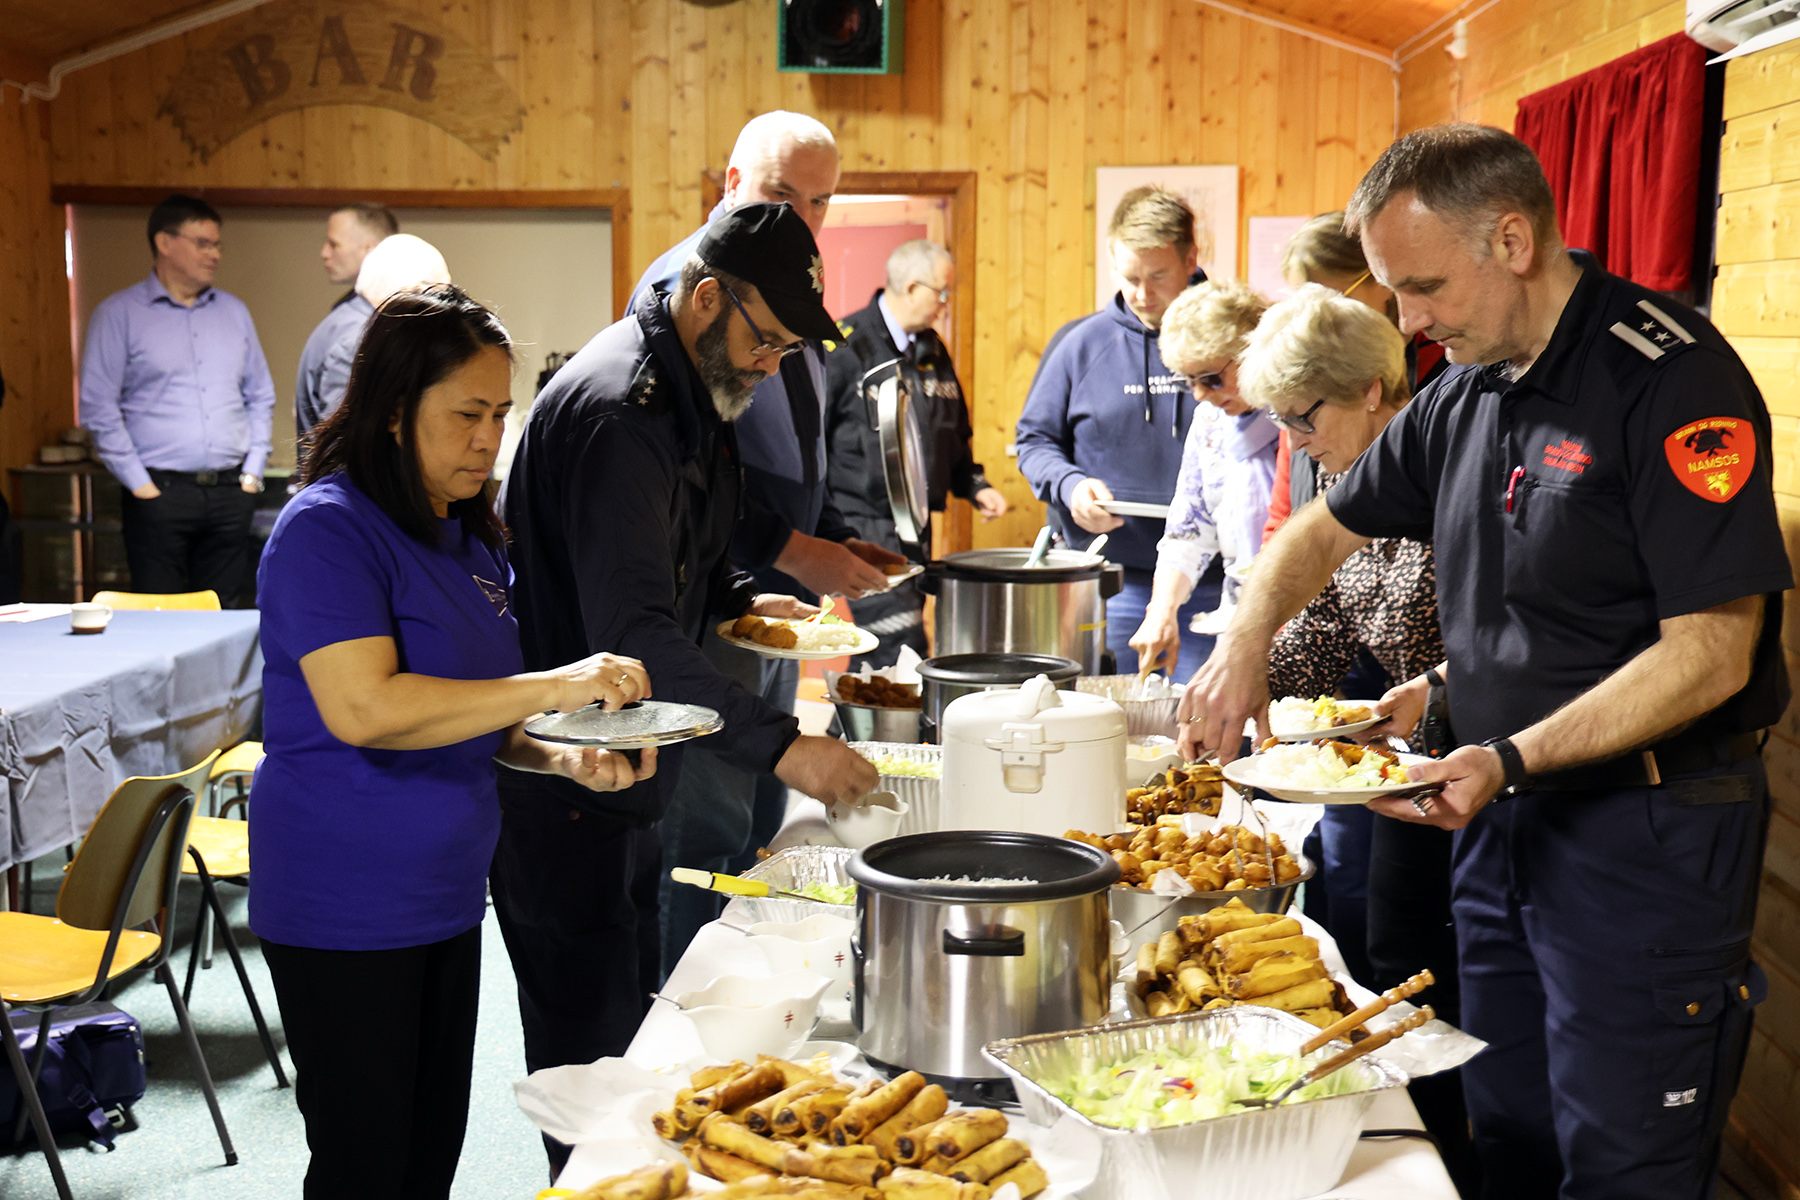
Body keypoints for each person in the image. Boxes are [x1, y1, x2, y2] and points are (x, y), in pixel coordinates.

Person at [1182, 124, 1790, 1200]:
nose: (1406, 322)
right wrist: (1243, 645)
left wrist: (1507, 755)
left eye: (1421, 287)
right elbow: (1321, 533)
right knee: (1504, 1132)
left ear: (1512, 238)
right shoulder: (1464, 392)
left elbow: (1713, 652)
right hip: (1500, 820)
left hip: (1642, 837)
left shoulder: (1670, 380)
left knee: (1622, 1166)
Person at [496, 201, 880, 1172]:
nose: (771, 364)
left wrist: (761, 601)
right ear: (707, 298)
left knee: (637, 1044)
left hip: (629, 770)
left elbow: (699, 568)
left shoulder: (691, 399)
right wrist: (788, 746)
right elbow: (633, 639)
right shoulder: (617, 409)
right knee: (592, 1083)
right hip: (562, 779)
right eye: (766, 340)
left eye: (789, 349)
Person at [251, 284, 656, 1198]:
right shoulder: (326, 531)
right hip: (343, 903)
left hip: (441, 898)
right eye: (467, 414)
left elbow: (478, 714)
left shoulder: (467, 535)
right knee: (366, 1163)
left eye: (501, 414)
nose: (489, 438)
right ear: (395, 414)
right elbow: (368, 711)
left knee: (429, 1152)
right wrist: (560, 685)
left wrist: (559, 756)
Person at [629, 111, 904, 966]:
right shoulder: (688, 290)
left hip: (759, 594)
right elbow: (697, 483)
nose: (805, 215)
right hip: (701, 606)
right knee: (706, 827)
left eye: (821, 201)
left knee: (752, 819)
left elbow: (794, 447)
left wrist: (829, 540)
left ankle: (738, 991)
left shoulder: (789, 280)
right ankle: (683, 1024)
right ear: (730, 187)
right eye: (785, 193)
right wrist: (794, 548)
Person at [1015, 185, 1212, 675]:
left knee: (1207, 733)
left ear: (1191, 258)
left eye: (1158, 275)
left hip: (1213, 582)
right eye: (1130, 277)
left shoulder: (1231, 341)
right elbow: (1034, 441)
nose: (1143, 294)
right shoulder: (1080, 344)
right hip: (1111, 578)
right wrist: (1069, 485)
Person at [79, 194, 275, 601]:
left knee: (226, 617)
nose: (215, 254)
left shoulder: (234, 312)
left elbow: (260, 395)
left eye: (217, 244)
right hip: (160, 494)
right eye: (203, 243)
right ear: (165, 243)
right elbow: (98, 407)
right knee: (158, 617)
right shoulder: (119, 314)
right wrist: (140, 485)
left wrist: (253, 472)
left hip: (230, 492)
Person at [823, 239, 1007, 665]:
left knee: (889, 651)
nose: (945, 302)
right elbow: (813, 440)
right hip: (860, 522)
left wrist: (974, 484)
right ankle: (874, 731)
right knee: (898, 644)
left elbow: (951, 431)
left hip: (916, 525)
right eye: (940, 292)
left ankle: (846, 732)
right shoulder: (843, 346)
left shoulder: (932, 348)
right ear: (910, 286)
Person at [1125, 279, 1277, 683]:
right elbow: (1189, 529)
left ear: (1254, 352)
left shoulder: (1300, 415)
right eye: (1186, 380)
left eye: (1211, 378)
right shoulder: (1212, 421)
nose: (1199, 395)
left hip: (1307, 626)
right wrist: (1162, 611)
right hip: (1239, 620)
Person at [1265, 211, 1446, 540]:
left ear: (1379, 279)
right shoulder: (1304, 389)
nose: (1314, 318)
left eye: (1329, 299)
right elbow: (1283, 510)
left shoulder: (1446, 369)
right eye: (1302, 302)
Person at [297, 234, 452, 438]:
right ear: (408, 292)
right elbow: (343, 443)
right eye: (437, 296)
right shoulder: (357, 340)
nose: (443, 310)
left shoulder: (354, 322)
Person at [296, 203, 397, 438]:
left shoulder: (355, 318)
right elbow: (342, 442)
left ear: (370, 250)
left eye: (334, 244)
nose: (324, 252)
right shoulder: (357, 332)